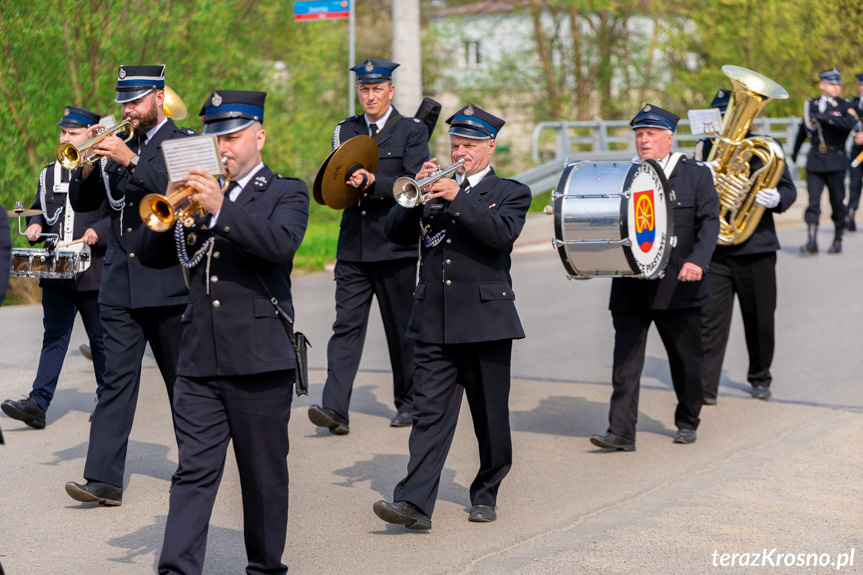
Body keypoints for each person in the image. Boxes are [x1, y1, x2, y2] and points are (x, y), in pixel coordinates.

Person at [135, 89, 309, 575]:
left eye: (232, 134)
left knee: (262, 477)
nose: (223, 144)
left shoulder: (284, 191)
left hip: (259, 359)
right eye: (215, 134)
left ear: (259, 134)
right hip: (199, 358)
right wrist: (168, 204)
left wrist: (221, 210)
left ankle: (264, 567)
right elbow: (149, 259)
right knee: (192, 472)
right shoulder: (194, 194)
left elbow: (279, 246)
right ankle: (177, 569)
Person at [373, 104, 531, 529]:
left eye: (470, 146)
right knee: (429, 416)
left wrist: (457, 196)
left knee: (490, 417)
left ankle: (487, 490)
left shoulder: (511, 192)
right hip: (434, 321)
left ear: (490, 146)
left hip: (486, 322)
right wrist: (416, 195)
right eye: (456, 144)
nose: (460, 152)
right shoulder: (435, 188)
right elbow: (393, 234)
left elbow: (499, 235)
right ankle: (415, 504)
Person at [65, 65, 195, 506]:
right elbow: (85, 204)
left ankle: (197, 468)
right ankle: (103, 479)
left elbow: (181, 194)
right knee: (115, 381)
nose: (128, 110)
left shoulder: (184, 142)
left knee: (183, 383)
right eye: (124, 101)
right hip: (119, 284)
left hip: (167, 283)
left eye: (136, 101)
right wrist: (85, 162)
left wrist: (129, 160)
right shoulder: (116, 144)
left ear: (159, 97)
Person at [308, 58, 429, 434]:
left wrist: (374, 182)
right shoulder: (345, 129)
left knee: (401, 331)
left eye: (378, 89)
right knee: (346, 327)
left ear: (390, 91)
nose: (370, 96)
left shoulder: (411, 130)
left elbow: (413, 186)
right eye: (364, 89)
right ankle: (335, 409)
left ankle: (409, 404)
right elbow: (334, 180)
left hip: (396, 246)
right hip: (354, 249)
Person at [590, 104, 719, 451]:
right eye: (639, 134)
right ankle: (620, 432)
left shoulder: (695, 174)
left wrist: (698, 262)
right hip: (631, 283)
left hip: (680, 283)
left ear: (669, 138)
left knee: (686, 361)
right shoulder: (625, 174)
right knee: (625, 363)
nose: (644, 141)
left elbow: (710, 223)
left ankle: (688, 419)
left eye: (651, 134)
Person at [1, 106, 110, 429]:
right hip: (56, 270)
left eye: (72, 134)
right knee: (54, 337)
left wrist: (97, 233)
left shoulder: (106, 171)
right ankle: (38, 403)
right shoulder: (48, 172)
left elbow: (117, 215)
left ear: (92, 135)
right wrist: (34, 225)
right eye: (63, 132)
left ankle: (108, 401)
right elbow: (41, 207)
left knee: (101, 340)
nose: (65, 138)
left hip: (93, 272)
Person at [696, 91, 798, 404]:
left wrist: (777, 200)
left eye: (731, 113)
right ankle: (705, 387)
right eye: (723, 114)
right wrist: (704, 177)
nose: (728, 120)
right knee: (709, 322)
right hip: (718, 251)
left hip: (757, 248)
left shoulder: (766, 147)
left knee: (760, 320)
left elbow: (788, 191)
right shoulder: (705, 148)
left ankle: (760, 377)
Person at [792, 68, 859, 254]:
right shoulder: (811, 104)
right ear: (822, 85)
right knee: (813, 201)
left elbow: (849, 124)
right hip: (815, 159)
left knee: (837, 202)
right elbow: (804, 128)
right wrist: (794, 152)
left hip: (836, 159)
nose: (836, 87)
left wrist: (825, 118)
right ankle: (811, 240)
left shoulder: (845, 105)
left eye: (838, 84)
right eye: (832, 84)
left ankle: (838, 238)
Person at [846, 73, 863, 232]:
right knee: (855, 183)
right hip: (858, 152)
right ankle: (850, 214)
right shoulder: (853, 104)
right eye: (861, 84)